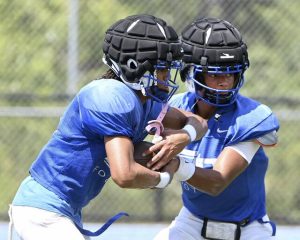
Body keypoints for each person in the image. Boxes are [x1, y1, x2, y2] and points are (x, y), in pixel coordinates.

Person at [8, 14, 208, 240]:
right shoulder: (109, 95)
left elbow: (198, 121)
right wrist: (163, 177)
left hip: (64, 210)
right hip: (42, 210)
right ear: (135, 66)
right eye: (161, 70)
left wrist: (183, 136)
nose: (167, 78)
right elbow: (124, 175)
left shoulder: (145, 101)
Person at [154, 17, 280, 240]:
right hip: (191, 222)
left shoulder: (252, 117)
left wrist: (174, 163)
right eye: (215, 74)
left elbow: (216, 182)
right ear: (192, 73)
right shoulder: (173, 108)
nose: (224, 82)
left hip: (248, 229)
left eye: (230, 73)